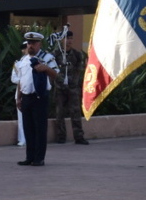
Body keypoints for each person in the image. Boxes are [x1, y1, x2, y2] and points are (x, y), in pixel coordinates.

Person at [16, 32, 59, 167]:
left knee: (40, 128)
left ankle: (39, 158)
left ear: (39, 44)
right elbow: (20, 80)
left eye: (34, 43)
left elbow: (56, 74)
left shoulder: (47, 57)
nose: (31, 46)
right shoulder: (23, 60)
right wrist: (18, 97)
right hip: (26, 97)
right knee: (28, 128)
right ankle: (29, 156)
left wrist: (46, 68)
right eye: (29, 43)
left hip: (40, 97)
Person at [53, 31, 89, 145]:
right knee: (59, 113)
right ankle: (61, 136)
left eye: (71, 38)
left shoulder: (77, 54)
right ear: (61, 40)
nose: (69, 41)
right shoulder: (56, 54)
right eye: (66, 38)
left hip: (73, 87)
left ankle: (79, 136)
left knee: (75, 112)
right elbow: (52, 69)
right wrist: (60, 80)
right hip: (59, 87)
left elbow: (80, 69)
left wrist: (74, 81)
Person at [10, 40, 28, 147]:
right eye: (24, 48)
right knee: (21, 118)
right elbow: (13, 78)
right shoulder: (18, 63)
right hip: (20, 92)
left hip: (31, 91)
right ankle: (22, 139)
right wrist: (23, 80)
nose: (25, 49)